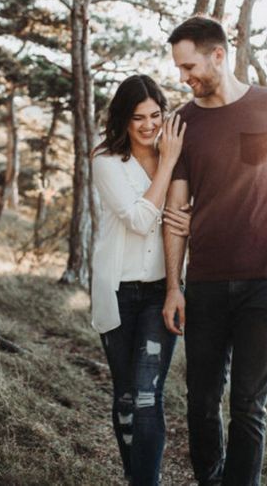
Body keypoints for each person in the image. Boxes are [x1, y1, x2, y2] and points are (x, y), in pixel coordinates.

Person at [161, 16, 267, 486]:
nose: (183, 77)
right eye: (178, 68)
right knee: (200, 400)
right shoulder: (182, 122)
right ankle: (210, 478)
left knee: (249, 406)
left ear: (219, 54)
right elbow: (176, 213)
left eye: (189, 65)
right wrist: (174, 286)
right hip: (206, 282)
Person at [91, 74, 190, 486]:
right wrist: (166, 163)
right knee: (127, 395)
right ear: (123, 120)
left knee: (148, 395)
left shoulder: (182, 161)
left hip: (159, 293)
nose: (149, 125)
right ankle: (136, 476)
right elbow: (136, 220)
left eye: (155, 115)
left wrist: (190, 218)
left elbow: (185, 217)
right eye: (138, 118)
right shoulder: (105, 161)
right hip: (117, 291)